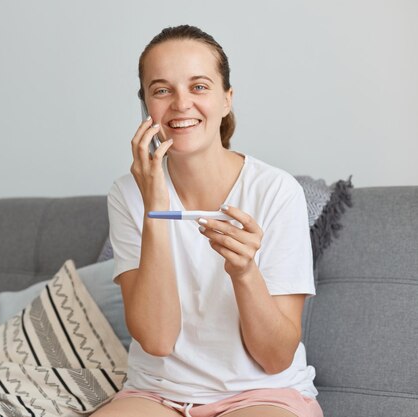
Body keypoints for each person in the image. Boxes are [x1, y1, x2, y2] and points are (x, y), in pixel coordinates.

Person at [92, 25, 324, 417]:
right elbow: (157, 339)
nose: (181, 104)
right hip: (156, 394)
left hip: (262, 394)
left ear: (226, 100)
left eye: (198, 86)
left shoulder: (276, 191)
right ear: (147, 105)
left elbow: (275, 357)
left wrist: (244, 271)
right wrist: (155, 208)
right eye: (162, 90)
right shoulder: (128, 193)